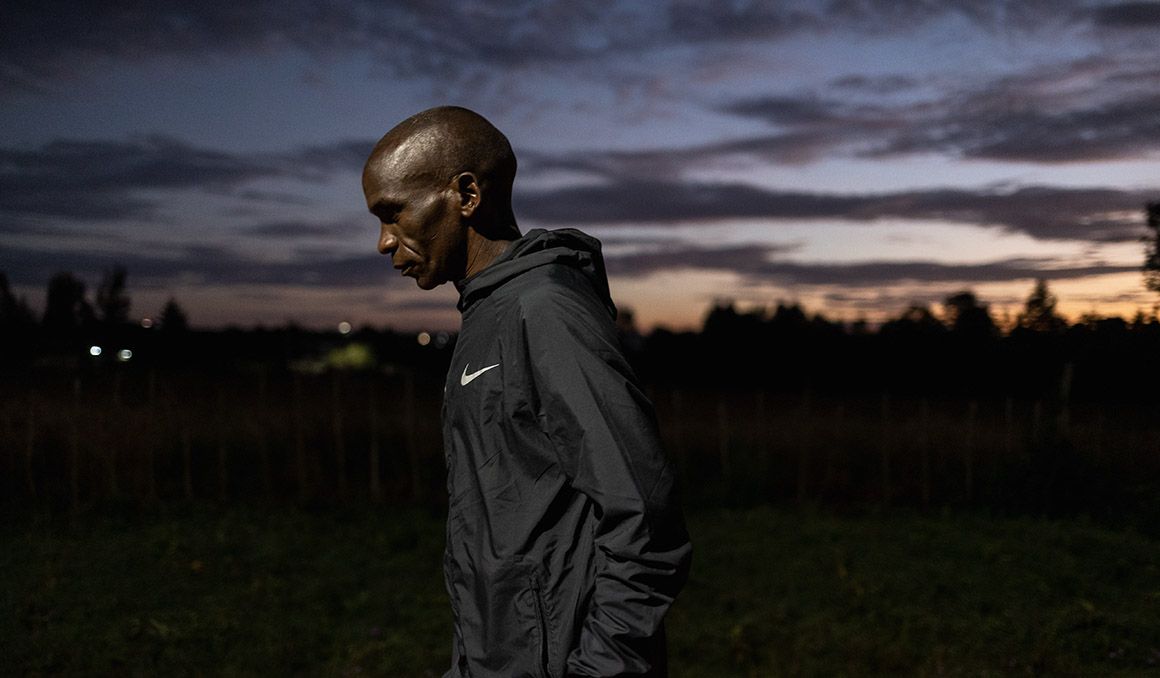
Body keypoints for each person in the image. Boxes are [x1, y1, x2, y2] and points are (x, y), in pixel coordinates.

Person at [362, 106, 692, 678]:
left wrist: (601, 670)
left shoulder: (545, 312)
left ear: (466, 195)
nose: (384, 241)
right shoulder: (487, 315)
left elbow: (644, 516)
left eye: (394, 213)